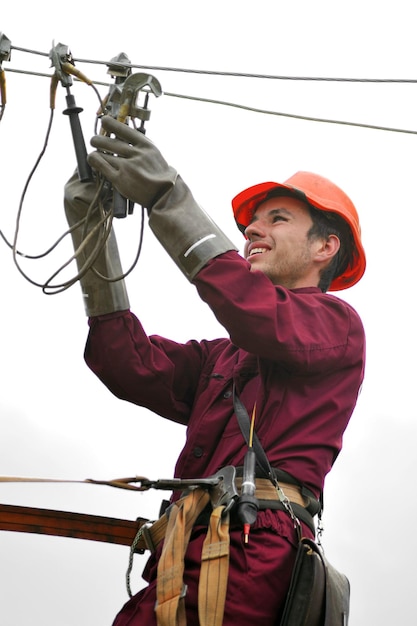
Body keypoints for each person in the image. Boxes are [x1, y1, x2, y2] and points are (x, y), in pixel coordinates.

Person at [64, 115, 366, 626]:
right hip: (184, 555)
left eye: (277, 219)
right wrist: (92, 235)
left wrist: (167, 198)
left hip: (252, 549)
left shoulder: (338, 327)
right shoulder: (224, 357)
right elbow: (127, 363)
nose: (252, 229)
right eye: (253, 222)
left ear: (325, 247)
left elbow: (255, 313)